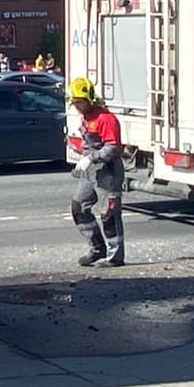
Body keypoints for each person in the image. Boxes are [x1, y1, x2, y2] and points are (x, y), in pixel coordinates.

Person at [66, 77, 126, 267]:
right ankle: (97, 248)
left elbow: (113, 148)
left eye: (80, 102)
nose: (77, 106)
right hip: (90, 173)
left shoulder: (106, 119)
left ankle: (115, 256)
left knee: (109, 213)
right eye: (74, 103)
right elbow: (89, 145)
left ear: (90, 99)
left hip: (107, 172)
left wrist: (91, 158)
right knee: (79, 208)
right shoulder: (86, 117)